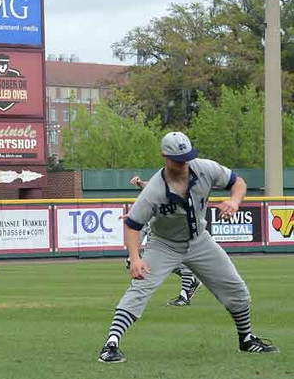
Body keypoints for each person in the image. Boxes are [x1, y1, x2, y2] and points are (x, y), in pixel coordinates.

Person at [98, 132, 278, 363]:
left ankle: (247, 339)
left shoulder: (205, 169)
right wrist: (135, 258)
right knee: (139, 290)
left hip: (199, 240)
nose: (184, 163)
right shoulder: (154, 190)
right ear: (165, 157)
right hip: (164, 244)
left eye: (187, 157)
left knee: (236, 288)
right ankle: (111, 344)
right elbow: (132, 225)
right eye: (178, 159)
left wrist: (234, 200)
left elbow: (238, 182)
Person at [128, 175, 201, 307]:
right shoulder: (155, 197)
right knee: (157, 265)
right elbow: (152, 187)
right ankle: (192, 282)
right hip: (163, 238)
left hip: (181, 234)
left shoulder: (180, 185)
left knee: (182, 264)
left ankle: (185, 295)